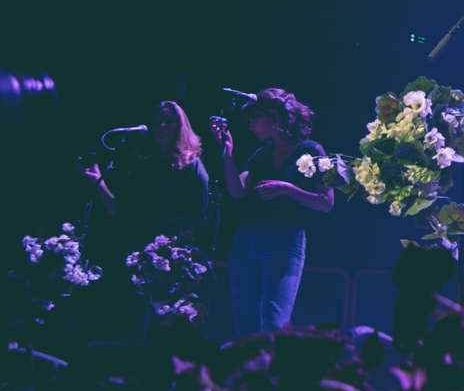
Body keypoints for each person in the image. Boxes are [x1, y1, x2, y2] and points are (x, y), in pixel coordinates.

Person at [76, 100, 211, 339]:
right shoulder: (143, 165)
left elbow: (197, 219)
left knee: (163, 324)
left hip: (169, 257)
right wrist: (97, 181)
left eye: (169, 120)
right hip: (136, 253)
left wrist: (168, 245)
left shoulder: (192, 167)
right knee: (131, 322)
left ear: (180, 126)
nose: (161, 125)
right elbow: (120, 212)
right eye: (157, 120)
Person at [214, 88, 333, 334]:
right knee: (245, 323)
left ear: (273, 116)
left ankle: (275, 371)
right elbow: (237, 190)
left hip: (284, 241)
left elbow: (326, 202)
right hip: (245, 240)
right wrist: (227, 151)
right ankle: (250, 370)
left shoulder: (311, 150)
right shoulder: (260, 155)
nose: (250, 126)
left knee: (275, 323)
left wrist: (287, 188)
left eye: (254, 119)